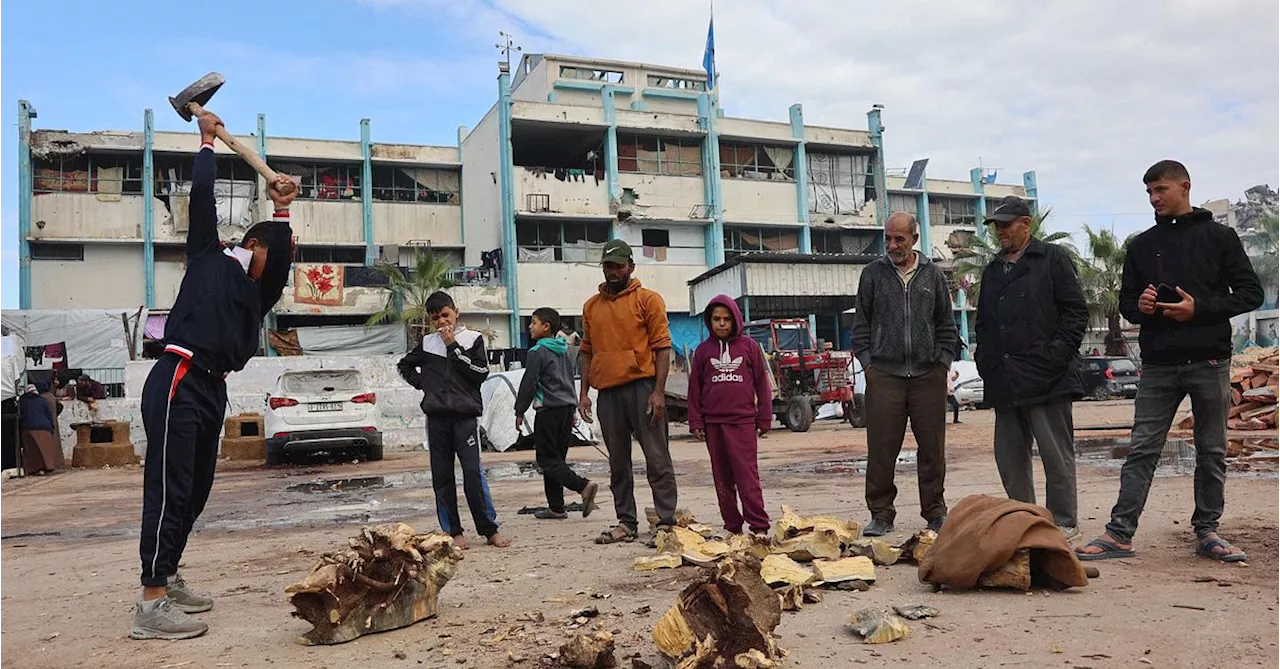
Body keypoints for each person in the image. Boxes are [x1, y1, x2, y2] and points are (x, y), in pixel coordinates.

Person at [133, 109, 296, 641]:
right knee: (170, 486)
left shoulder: (257, 296)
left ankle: (171, 573)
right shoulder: (208, 256)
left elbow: (283, 261)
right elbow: (200, 201)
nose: (273, 267)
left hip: (212, 387)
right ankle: (151, 602)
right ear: (251, 245)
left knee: (197, 489)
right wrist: (206, 142)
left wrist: (283, 207)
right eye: (270, 253)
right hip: (178, 374)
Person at [1078, 160, 1263, 562]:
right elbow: (1127, 303)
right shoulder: (1142, 245)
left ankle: (1208, 532)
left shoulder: (1220, 237)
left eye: (1160, 189)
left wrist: (1199, 310)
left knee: (1211, 449)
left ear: (1185, 187)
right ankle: (1119, 533)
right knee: (1142, 447)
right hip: (1159, 364)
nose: (1154, 198)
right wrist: (1142, 306)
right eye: (1148, 192)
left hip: (1210, 360)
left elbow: (1250, 294)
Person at [974, 195, 1089, 539]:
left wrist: (1056, 356)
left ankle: (1064, 522)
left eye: (1007, 225)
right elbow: (983, 323)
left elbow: (1075, 312)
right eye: (997, 226)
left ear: (1027, 224)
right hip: (1004, 379)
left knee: (1056, 456)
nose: (1001, 232)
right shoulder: (993, 270)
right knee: (1010, 460)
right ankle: (1025, 519)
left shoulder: (1052, 259)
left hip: (1047, 377)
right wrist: (986, 362)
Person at [852, 212, 958, 537]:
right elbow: (861, 327)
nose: (892, 245)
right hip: (884, 374)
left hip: (928, 374)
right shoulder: (872, 275)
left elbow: (946, 325)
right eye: (887, 238)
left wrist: (942, 363)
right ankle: (881, 514)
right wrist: (869, 366)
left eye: (899, 238)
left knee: (932, 449)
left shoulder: (933, 276)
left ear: (914, 237)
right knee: (882, 450)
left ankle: (935, 512)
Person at [578, 239, 678, 545]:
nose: (613, 271)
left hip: (642, 389)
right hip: (608, 393)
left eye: (619, 265)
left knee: (656, 457)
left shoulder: (648, 300)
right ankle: (626, 522)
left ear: (630, 267)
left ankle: (665, 522)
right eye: (608, 265)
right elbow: (586, 351)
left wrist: (658, 392)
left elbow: (662, 348)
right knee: (617, 462)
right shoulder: (591, 307)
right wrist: (583, 393)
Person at [398, 292, 511, 550]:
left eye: (445, 315)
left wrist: (452, 347)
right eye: (435, 317)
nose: (441, 321)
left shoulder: (472, 340)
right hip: (437, 419)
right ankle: (454, 531)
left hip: (465, 417)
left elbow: (480, 373)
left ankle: (489, 529)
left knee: (473, 473)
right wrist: (424, 384)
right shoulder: (427, 344)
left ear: (456, 312)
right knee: (442, 475)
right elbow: (404, 366)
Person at [688, 295, 773, 536]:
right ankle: (733, 527)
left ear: (735, 320)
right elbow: (694, 389)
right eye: (716, 319)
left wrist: (764, 417)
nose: (722, 324)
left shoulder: (749, 347)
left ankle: (759, 526)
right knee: (722, 479)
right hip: (713, 424)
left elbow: (762, 384)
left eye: (727, 319)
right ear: (709, 321)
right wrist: (695, 420)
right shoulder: (703, 352)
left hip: (743, 423)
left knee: (747, 476)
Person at [515, 307, 600, 520]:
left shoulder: (537, 352)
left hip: (548, 412)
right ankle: (556, 507)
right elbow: (569, 381)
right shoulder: (564, 350)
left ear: (546, 327)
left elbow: (529, 383)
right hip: (565, 410)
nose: (530, 326)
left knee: (546, 460)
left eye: (533, 322)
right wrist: (572, 410)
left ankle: (583, 486)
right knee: (557, 460)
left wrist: (519, 410)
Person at [19, 384, 59, 475]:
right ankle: (48, 467)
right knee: (46, 449)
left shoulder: (22, 401)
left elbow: (21, 415)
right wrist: (51, 427)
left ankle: (34, 469)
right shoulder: (43, 400)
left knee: (31, 450)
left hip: (28, 427)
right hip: (45, 427)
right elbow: (48, 415)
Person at [37, 379, 65, 470]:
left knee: (47, 446)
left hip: (47, 424)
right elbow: (60, 406)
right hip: (53, 422)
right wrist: (55, 415)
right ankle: (58, 464)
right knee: (56, 445)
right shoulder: (51, 396)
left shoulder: (42, 398)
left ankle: (49, 466)